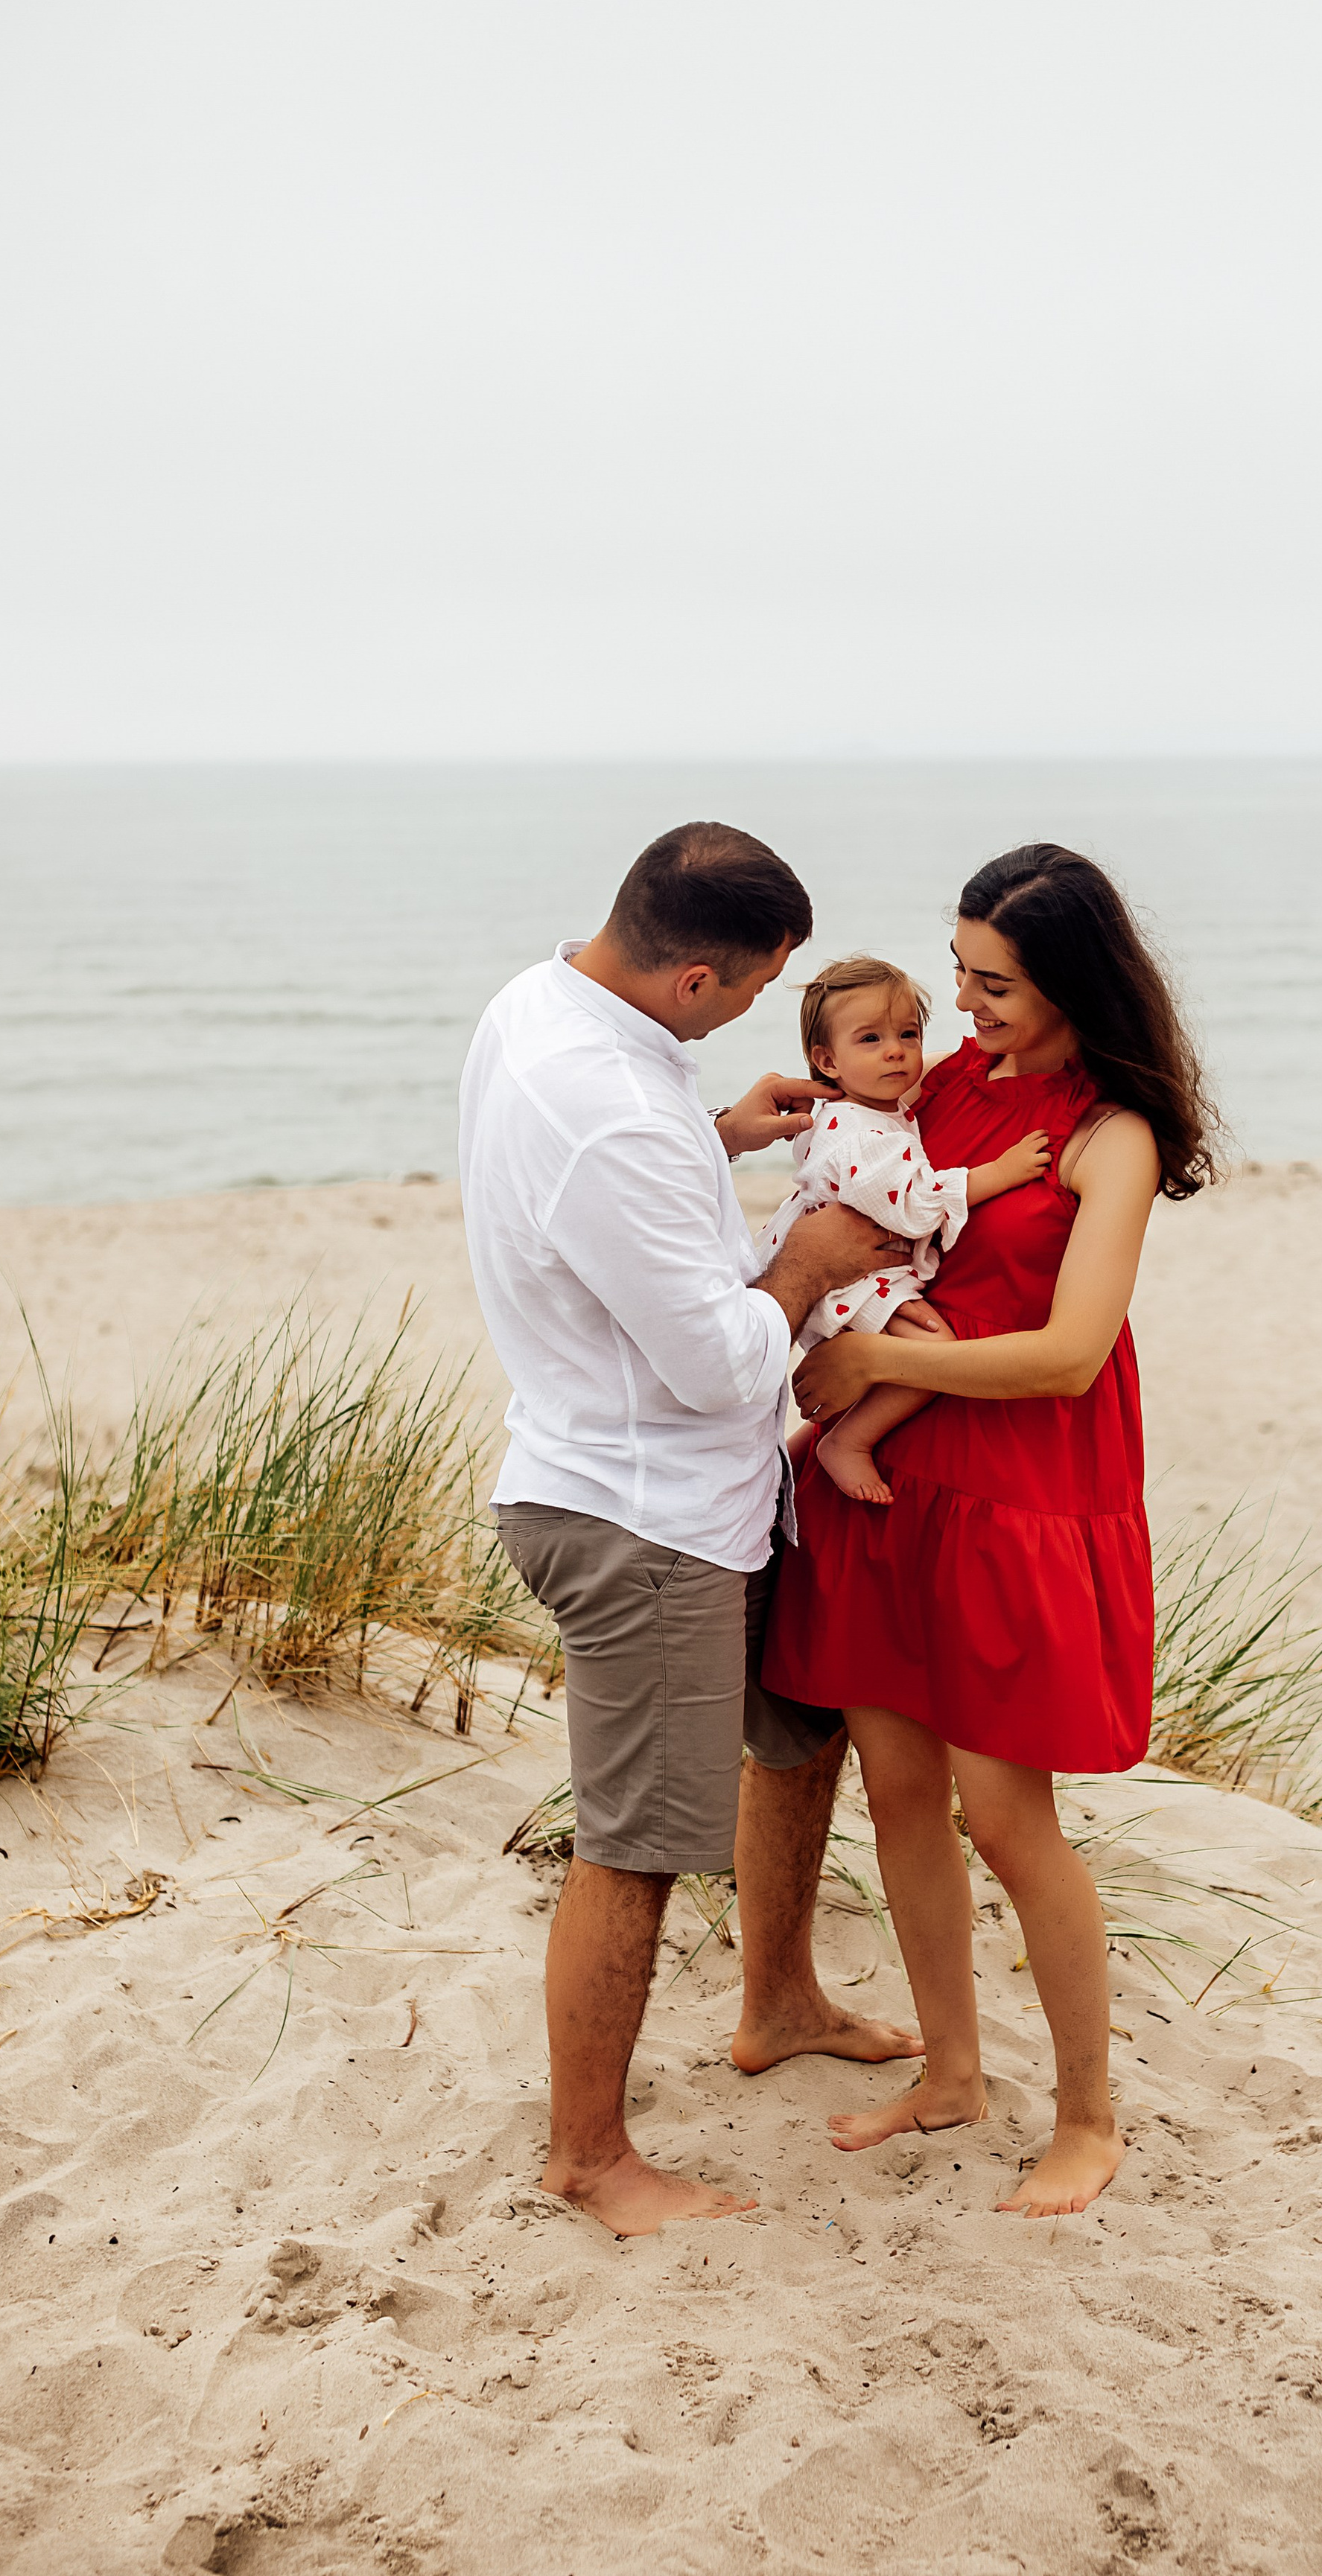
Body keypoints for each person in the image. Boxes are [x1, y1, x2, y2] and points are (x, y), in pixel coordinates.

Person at [458, 820, 924, 2239]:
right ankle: (591, 2156)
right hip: (640, 1515)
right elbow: (721, 1364)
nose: (743, 1015)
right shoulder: (598, 1104)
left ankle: (777, 2000)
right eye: (751, 989)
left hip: (720, 1495)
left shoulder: (548, 1002)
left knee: (802, 1725)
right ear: (696, 974)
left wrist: (714, 1133)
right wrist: (809, 1260)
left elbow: (606, 1184)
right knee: (637, 1841)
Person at [764, 843, 1220, 2218]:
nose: (963, 1007)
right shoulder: (946, 1080)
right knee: (897, 1790)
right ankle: (952, 2071)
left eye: (996, 984)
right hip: (892, 1485)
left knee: (1012, 1819)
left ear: (1074, 981)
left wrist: (861, 1378)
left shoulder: (1112, 1136)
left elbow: (1073, 1353)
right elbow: (854, 1190)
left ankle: (1088, 2114)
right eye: (958, 972)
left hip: (1018, 1492)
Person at [751, 954, 1050, 1502]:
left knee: (917, 1355)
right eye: (870, 1039)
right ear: (827, 1060)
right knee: (933, 1349)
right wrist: (999, 1173)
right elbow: (908, 1204)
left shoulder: (880, 1109)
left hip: (854, 1268)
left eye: (908, 1033)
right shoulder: (857, 1128)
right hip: (848, 1275)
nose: (896, 1050)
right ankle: (847, 1442)